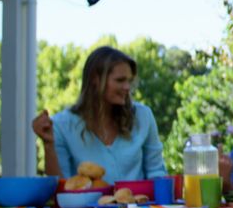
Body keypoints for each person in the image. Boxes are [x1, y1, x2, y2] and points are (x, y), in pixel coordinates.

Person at [32, 46, 167, 183]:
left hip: (138, 204)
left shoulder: (143, 116)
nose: (127, 87)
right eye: (120, 80)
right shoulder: (62, 125)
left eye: (129, 81)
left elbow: (157, 172)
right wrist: (48, 144)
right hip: (87, 205)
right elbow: (61, 186)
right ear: (95, 79)